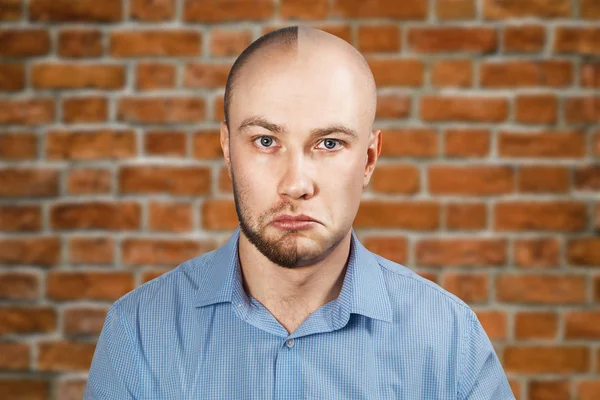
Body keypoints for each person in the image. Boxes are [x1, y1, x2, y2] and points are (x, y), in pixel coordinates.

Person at [84, 26, 515, 399]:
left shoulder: (449, 337)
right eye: (266, 141)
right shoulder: (138, 331)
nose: (295, 184)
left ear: (368, 159)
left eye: (328, 144)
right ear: (227, 149)